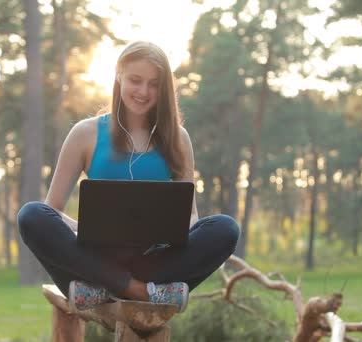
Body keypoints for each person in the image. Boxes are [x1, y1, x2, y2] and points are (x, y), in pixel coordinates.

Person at [17, 41, 240, 313]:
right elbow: (51, 210)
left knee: (226, 229)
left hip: (153, 258)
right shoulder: (84, 133)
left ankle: (110, 289)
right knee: (31, 215)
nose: (144, 92)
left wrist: (166, 232)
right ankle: (140, 291)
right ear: (118, 75)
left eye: (154, 84)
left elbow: (190, 216)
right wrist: (84, 227)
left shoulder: (178, 138)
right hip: (93, 260)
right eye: (135, 80)